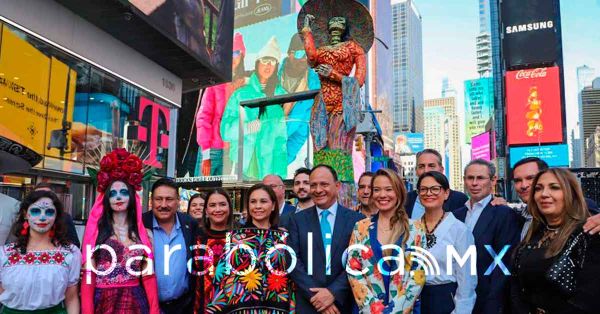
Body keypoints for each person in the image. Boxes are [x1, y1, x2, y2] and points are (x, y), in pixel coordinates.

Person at [80, 149, 159, 314]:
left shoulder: (144, 235)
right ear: (106, 199)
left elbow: (149, 277)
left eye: (123, 192)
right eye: (113, 194)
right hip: (103, 301)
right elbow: (88, 278)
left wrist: (154, 311)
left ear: (131, 197)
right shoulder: (95, 233)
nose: (118, 198)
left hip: (135, 301)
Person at [511, 168, 600, 313]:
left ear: (571, 193)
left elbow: (589, 298)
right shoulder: (533, 235)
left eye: (554, 187)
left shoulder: (588, 233)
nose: (544, 194)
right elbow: (517, 287)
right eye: (538, 189)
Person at [301, 9, 369, 182]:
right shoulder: (322, 50)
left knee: (339, 147)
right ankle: (322, 181)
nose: (336, 25)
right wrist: (307, 30)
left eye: (340, 21)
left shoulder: (355, 48)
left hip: (342, 104)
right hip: (322, 103)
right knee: (320, 146)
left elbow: (359, 80)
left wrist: (334, 74)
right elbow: (311, 56)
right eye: (332, 22)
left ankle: (340, 187)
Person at [287, 164, 364, 313]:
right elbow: (293, 261)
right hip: (309, 304)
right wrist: (318, 297)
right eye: (313, 185)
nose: (318, 190)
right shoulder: (297, 220)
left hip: (343, 304)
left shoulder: (357, 221)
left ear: (337, 186)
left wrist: (333, 293)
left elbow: (357, 261)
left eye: (324, 184)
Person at [347, 168, 425, 313]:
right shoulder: (360, 228)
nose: (382, 195)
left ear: (399, 192)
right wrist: (374, 308)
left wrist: (395, 310)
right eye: (377, 190)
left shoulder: (416, 229)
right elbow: (354, 271)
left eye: (389, 189)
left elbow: (418, 276)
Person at [206, 184, 294, 313]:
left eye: (263, 201)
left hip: (277, 309)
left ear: (273, 205)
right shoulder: (235, 238)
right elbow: (221, 281)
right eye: (253, 202)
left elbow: (291, 281)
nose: (258, 206)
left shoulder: (284, 239)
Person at [453, 159, 521, 314]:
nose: (474, 183)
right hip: (456, 298)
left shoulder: (503, 213)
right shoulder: (456, 215)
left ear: (493, 180)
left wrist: (492, 303)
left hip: (487, 299)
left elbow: (503, 264)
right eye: (470, 178)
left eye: (480, 178)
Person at [0, 190, 80, 313]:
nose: (42, 217)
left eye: (49, 212)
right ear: (26, 214)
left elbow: (71, 298)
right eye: (36, 211)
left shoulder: (70, 253)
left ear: (56, 216)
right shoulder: (4, 254)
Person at [221, 36, 288, 180]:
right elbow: (225, 131)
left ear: (276, 66)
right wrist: (246, 128)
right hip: (243, 166)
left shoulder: (281, 98)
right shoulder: (241, 94)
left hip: (267, 170)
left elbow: (281, 142)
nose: (268, 66)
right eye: (264, 61)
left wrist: (281, 177)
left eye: (272, 61)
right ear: (257, 63)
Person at [416, 172, 476, 314]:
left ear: (446, 193)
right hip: (414, 299)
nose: (428, 193)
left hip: (444, 300)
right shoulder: (412, 227)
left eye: (435, 189)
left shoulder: (459, 230)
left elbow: (467, 279)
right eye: (423, 189)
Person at [142, 178, 199, 313]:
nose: (163, 204)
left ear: (178, 201)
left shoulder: (190, 224)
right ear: (151, 201)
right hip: (147, 307)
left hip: (183, 306)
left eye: (169, 199)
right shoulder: (140, 224)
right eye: (158, 199)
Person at [196, 32, 247, 176]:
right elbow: (203, 118)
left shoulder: (245, 86)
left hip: (231, 152)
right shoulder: (216, 83)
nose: (232, 58)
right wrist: (206, 154)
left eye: (236, 53)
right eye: (228, 54)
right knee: (204, 195)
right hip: (212, 150)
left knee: (223, 196)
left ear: (242, 55)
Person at [511, 157, 600, 239]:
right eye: (517, 180)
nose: (523, 185)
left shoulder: (582, 208)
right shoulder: (518, 217)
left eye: (530, 178)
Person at [191, 188, 234, 313]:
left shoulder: (240, 236)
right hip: (203, 307)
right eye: (212, 205)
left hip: (234, 307)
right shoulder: (196, 237)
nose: (218, 209)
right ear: (206, 211)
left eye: (222, 204)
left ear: (229, 208)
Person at [279, 33, 320, 164]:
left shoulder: (314, 86)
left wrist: (281, 163)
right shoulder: (270, 74)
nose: (303, 59)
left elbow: (301, 133)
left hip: (282, 157)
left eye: (307, 54)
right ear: (289, 53)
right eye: (299, 54)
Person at [404, 149, 468, 219]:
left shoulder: (459, 200)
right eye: (421, 166)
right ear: (416, 171)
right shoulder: (406, 199)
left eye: (431, 166)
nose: (426, 170)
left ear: (441, 170)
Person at [33, 183, 80, 247]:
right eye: (38, 195)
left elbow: (74, 244)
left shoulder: (65, 218)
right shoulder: (27, 219)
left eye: (48, 195)